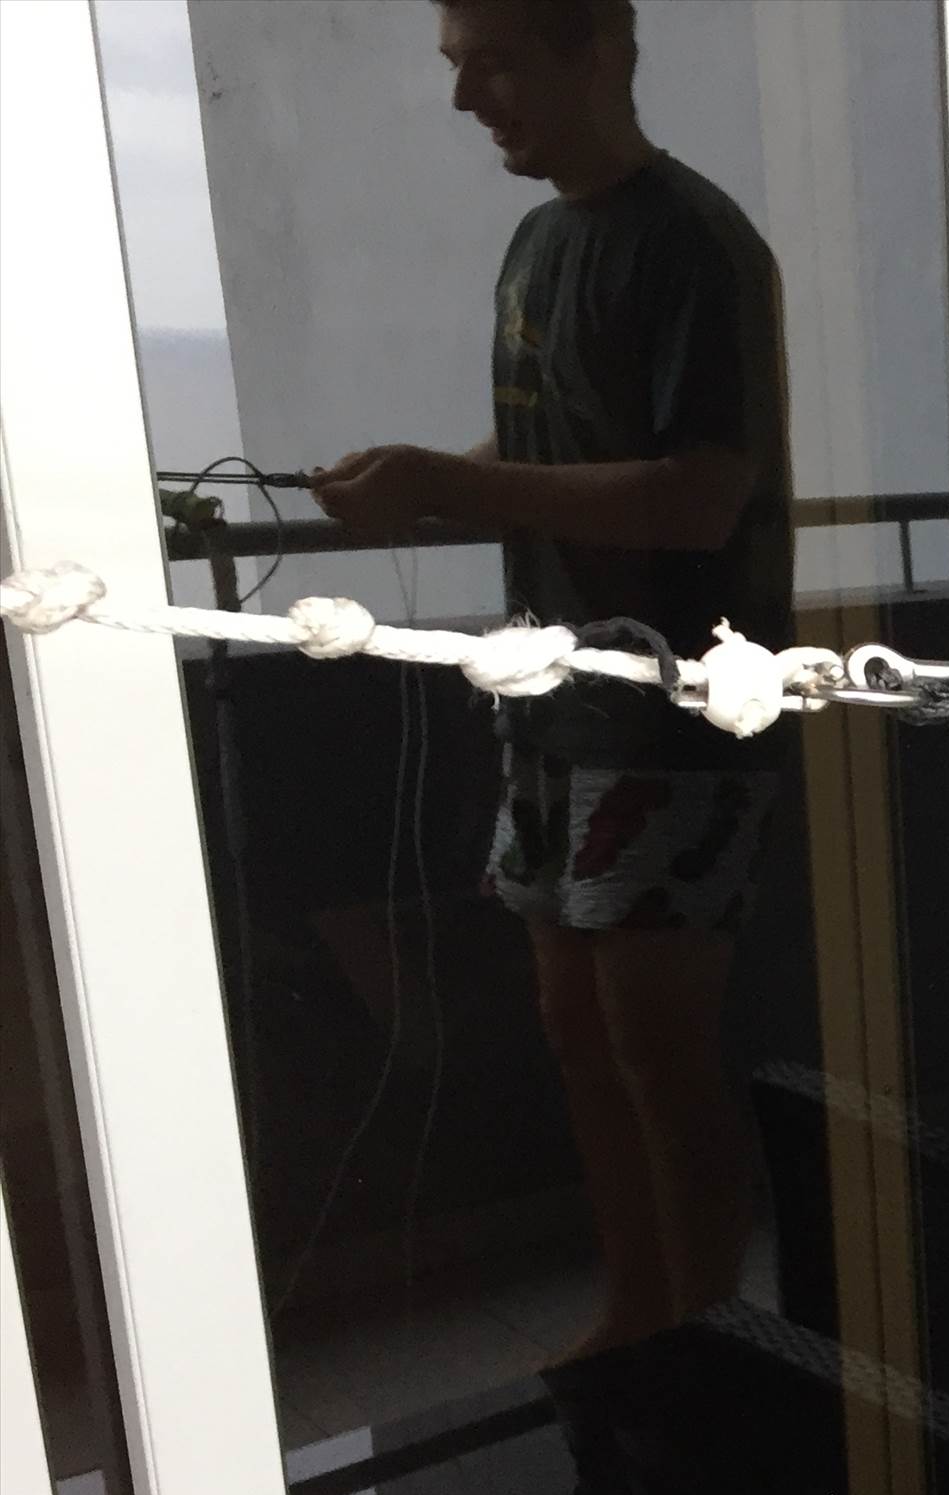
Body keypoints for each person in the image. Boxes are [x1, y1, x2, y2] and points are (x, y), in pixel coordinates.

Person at [313, 0, 791, 1359]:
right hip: (554, 703)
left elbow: (701, 496)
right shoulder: (538, 242)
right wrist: (419, 482)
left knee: (657, 1050)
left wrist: (448, 482)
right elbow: (559, 443)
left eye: (498, 65)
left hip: (678, 712)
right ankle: (638, 1316)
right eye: (458, 69)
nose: (469, 100)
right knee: (574, 1028)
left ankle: (700, 1343)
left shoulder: (695, 241)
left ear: (602, 51)